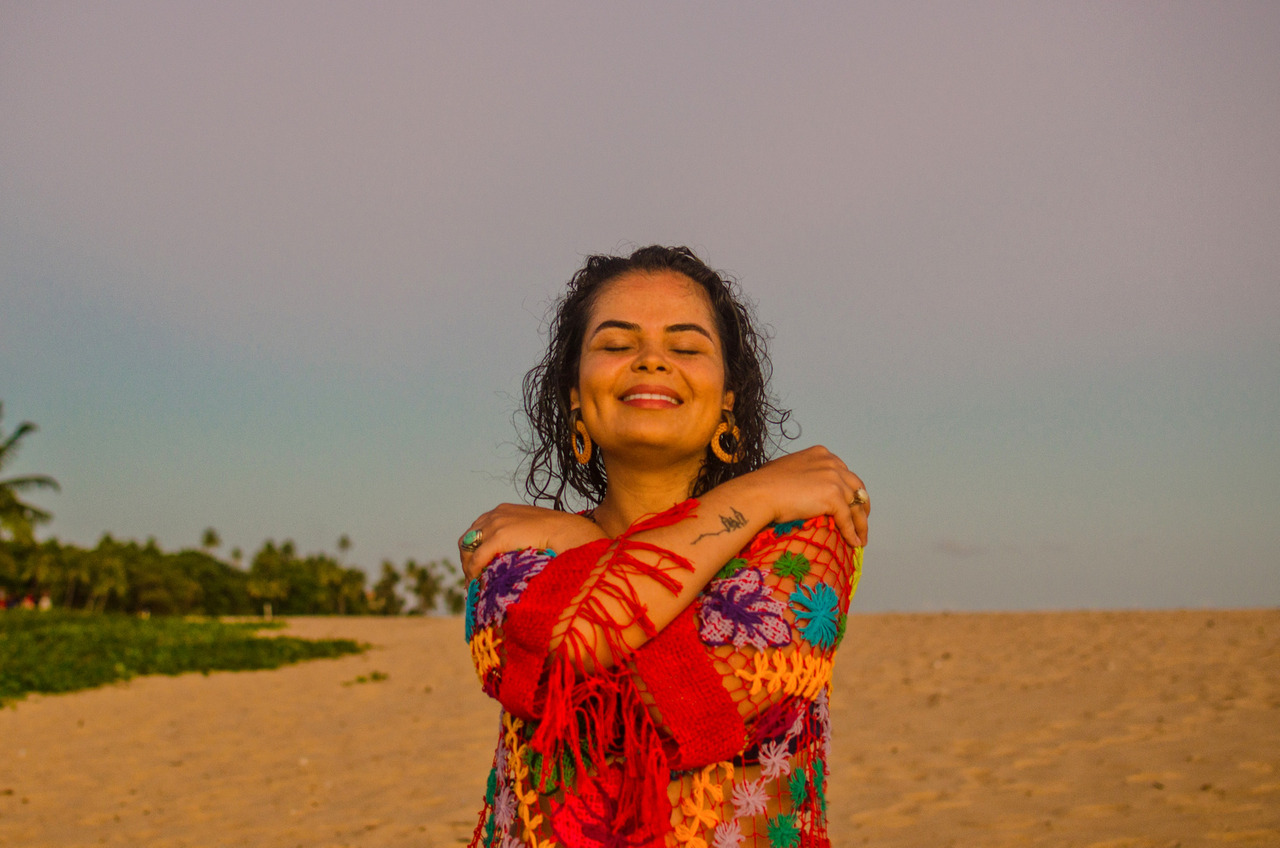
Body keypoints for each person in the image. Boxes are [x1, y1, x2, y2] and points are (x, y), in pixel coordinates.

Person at [460, 246, 869, 847]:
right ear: (576, 394)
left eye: (685, 347)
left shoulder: (804, 538)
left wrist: (580, 551)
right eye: (616, 344)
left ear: (727, 398)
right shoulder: (514, 552)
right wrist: (755, 496)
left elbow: (701, 711)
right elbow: (559, 657)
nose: (651, 360)